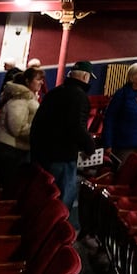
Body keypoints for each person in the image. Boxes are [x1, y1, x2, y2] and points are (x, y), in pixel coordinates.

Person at [30, 60, 97, 227]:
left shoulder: (55, 93)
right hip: (62, 155)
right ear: (84, 76)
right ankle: (56, 232)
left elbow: (38, 122)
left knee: (46, 194)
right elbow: (77, 127)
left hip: (42, 152)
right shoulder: (80, 97)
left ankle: (42, 227)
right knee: (63, 197)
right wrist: (90, 147)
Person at [0, 69, 39, 186]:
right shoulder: (20, 99)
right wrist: (38, 132)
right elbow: (17, 128)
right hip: (10, 150)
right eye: (38, 79)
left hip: (15, 148)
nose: (41, 83)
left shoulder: (26, 98)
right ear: (28, 81)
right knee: (6, 185)